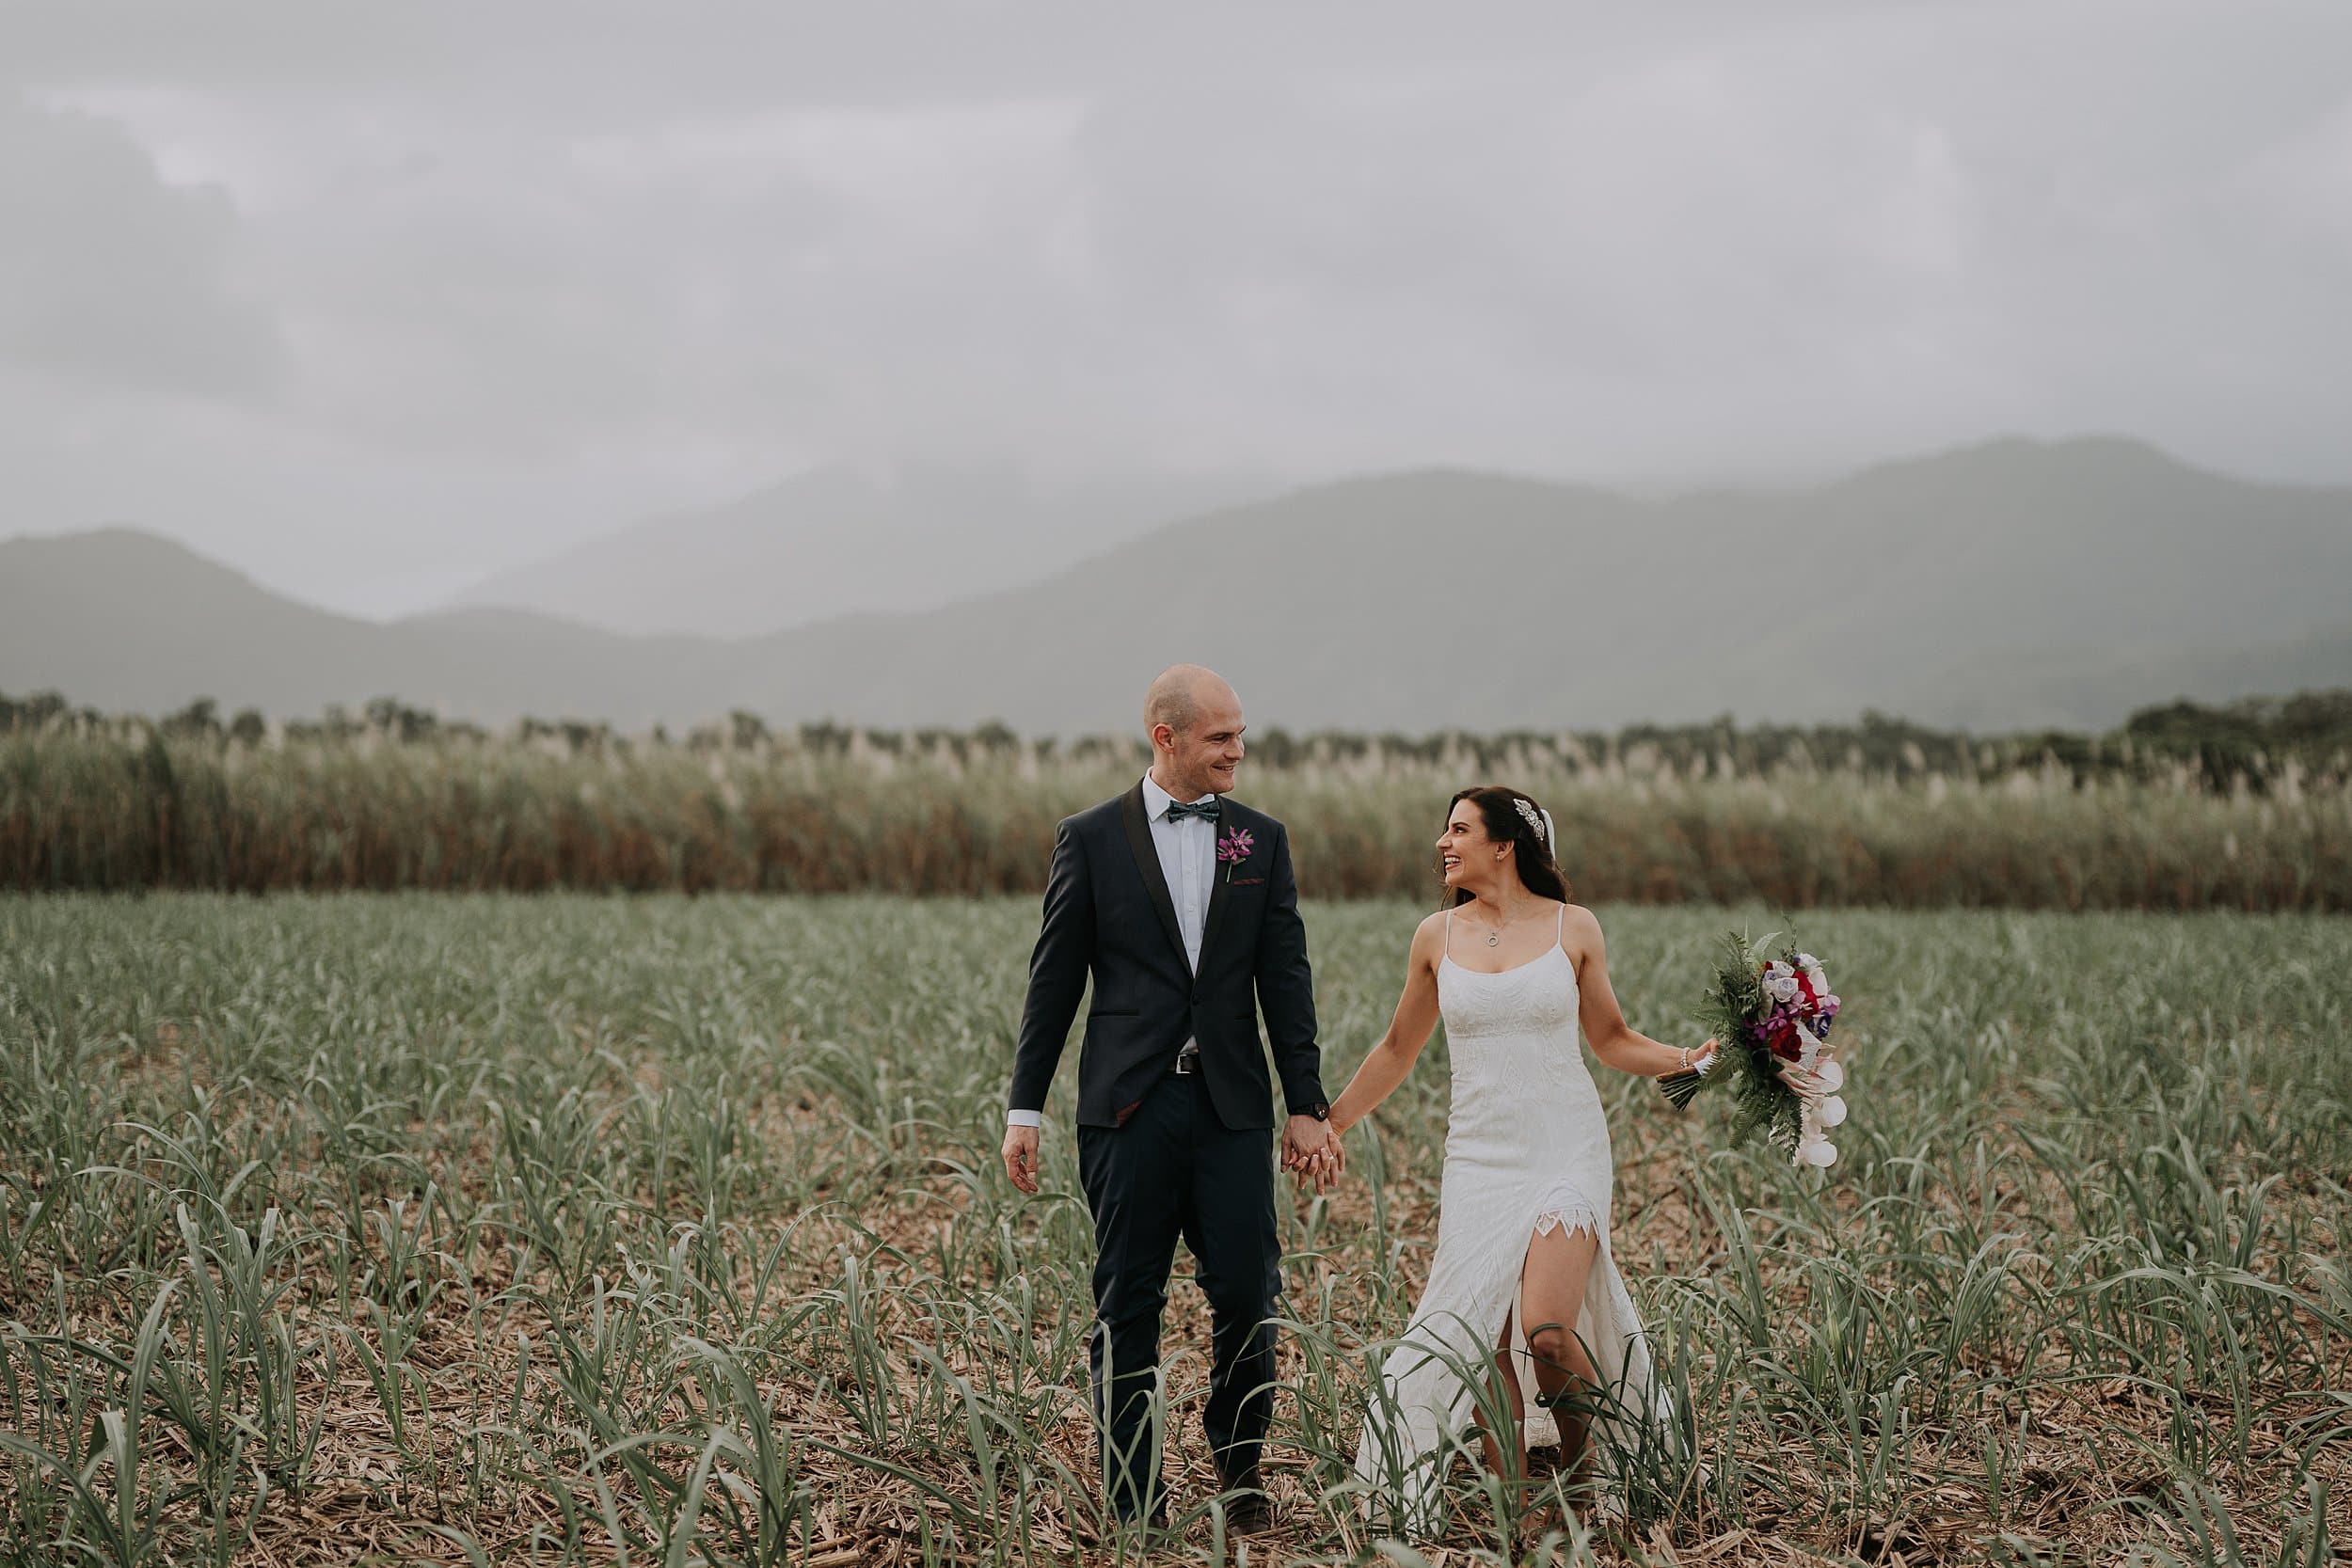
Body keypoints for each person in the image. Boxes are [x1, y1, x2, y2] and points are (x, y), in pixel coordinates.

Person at [1002, 664, 1342, 1535]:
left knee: (1248, 1293)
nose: (1238, 749)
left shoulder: (1260, 841)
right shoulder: (1089, 837)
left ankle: (1239, 1470)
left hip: (1231, 1110)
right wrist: (1024, 1107)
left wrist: (1307, 1100)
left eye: (1239, 734)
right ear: (1168, 737)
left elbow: (1286, 979)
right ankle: (1134, 1494)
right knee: (1127, 1303)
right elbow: (1055, 981)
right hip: (1126, 1111)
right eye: (1220, 736)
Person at [1327, 785, 1713, 1539]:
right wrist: (1329, 1119)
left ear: (1505, 844)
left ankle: (1581, 1466)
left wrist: (1685, 1059)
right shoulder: (1435, 936)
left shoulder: (1575, 927)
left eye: (1460, 828)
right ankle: (1517, 1499)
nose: (1443, 841)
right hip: (1478, 1153)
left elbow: (1612, 1037)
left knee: (1544, 1329)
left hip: (1565, 1144)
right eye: (1444, 829)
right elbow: (1398, 1048)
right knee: (1478, 1335)